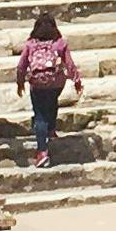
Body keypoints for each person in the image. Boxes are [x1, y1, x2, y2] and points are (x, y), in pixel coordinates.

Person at [14, 12, 81, 168]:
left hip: (37, 83)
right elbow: (69, 65)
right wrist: (76, 80)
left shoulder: (30, 44)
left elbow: (21, 66)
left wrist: (20, 82)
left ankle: (42, 151)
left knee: (39, 115)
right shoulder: (59, 43)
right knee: (51, 103)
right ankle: (51, 130)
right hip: (56, 83)